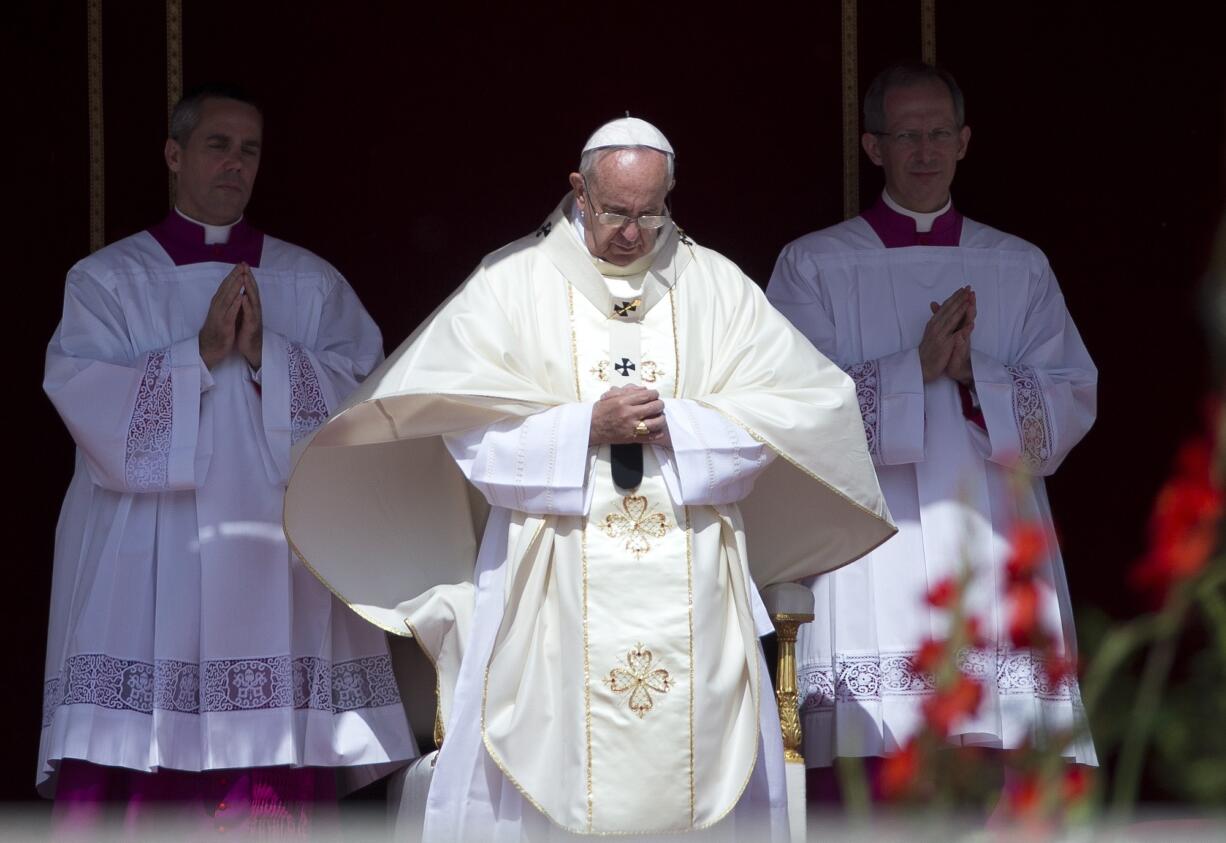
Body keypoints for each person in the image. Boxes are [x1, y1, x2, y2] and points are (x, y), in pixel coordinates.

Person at [282, 117, 894, 840]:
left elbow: (792, 412)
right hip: (550, 579)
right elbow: (467, 433)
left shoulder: (715, 287)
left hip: (692, 578)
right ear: (578, 190)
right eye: (615, 212)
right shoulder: (511, 285)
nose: (634, 233)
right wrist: (583, 428)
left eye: (650, 212)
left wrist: (682, 425)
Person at [40, 83, 415, 833]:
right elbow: (83, 395)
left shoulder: (309, 282)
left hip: (274, 553)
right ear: (175, 155)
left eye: (249, 150)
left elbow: (369, 400)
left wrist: (269, 358)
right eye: (217, 145)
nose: (235, 164)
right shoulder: (108, 282)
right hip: (149, 559)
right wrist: (199, 354)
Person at [766, 63, 1098, 798]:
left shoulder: (1017, 266)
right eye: (906, 135)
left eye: (939, 133)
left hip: (992, 528)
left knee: (1002, 764)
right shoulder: (814, 264)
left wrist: (978, 376)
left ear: (965, 141)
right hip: (868, 547)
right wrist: (911, 367)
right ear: (873, 146)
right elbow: (788, 407)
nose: (925, 150)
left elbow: (1072, 397)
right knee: (875, 773)